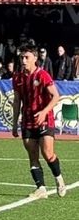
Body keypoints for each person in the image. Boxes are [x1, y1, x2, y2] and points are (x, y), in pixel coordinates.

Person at [11, 45, 67, 198]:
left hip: (44, 119)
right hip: (27, 121)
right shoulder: (17, 78)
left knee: (48, 153)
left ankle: (59, 179)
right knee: (32, 155)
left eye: (27, 57)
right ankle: (41, 188)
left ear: (35, 58)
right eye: (22, 57)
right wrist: (14, 123)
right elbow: (17, 101)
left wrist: (44, 111)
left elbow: (56, 96)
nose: (23, 60)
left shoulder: (42, 75)